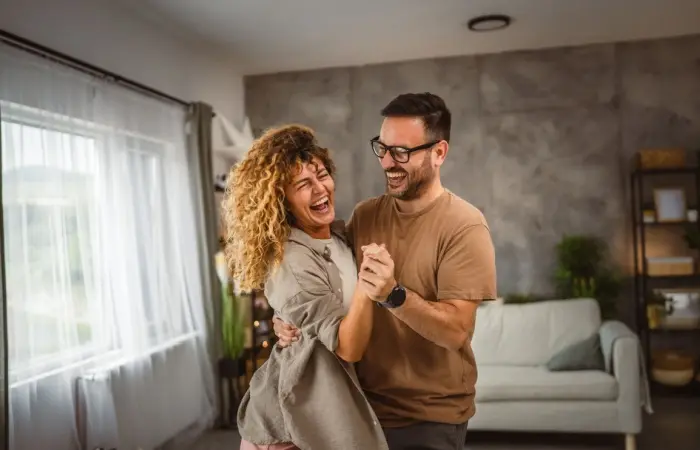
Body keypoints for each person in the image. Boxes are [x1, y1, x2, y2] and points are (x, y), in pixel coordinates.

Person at [274, 92, 497, 450]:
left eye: (402, 152)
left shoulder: (465, 226)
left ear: (439, 153)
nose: (388, 162)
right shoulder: (365, 215)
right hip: (360, 407)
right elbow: (322, 269)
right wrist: (287, 314)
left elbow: (456, 332)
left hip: (428, 419)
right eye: (382, 147)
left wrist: (394, 295)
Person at [221, 123, 390, 450]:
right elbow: (349, 347)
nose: (320, 189)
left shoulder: (338, 237)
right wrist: (370, 285)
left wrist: (283, 318)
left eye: (322, 175)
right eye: (302, 184)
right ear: (281, 199)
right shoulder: (291, 262)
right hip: (289, 426)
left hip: (321, 411)